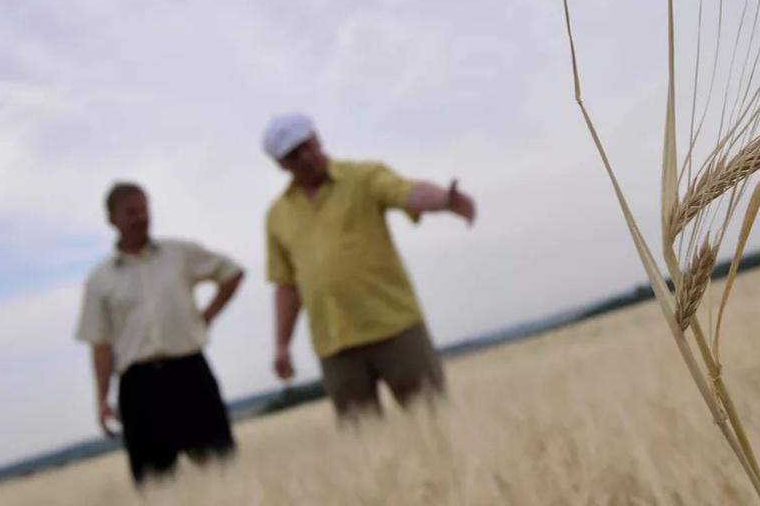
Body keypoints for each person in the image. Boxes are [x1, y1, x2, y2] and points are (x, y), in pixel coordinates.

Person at [262, 112, 475, 419]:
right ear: (281, 164)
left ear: (318, 138)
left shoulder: (363, 177)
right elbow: (286, 284)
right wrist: (282, 344)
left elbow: (406, 191)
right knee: (362, 444)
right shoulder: (277, 216)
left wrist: (444, 199)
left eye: (308, 145)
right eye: (294, 155)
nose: (306, 157)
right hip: (334, 343)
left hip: (395, 328)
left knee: (436, 421)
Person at [75, 182, 244, 485]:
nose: (141, 217)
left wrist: (207, 316)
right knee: (154, 482)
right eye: (131, 211)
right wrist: (102, 399)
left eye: (144, 209)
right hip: (138, 387)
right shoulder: (99, 280)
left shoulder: (179, 253)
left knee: (224, 468)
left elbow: (231, 273)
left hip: (190, 372)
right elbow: (100, 344)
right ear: (112, 219)